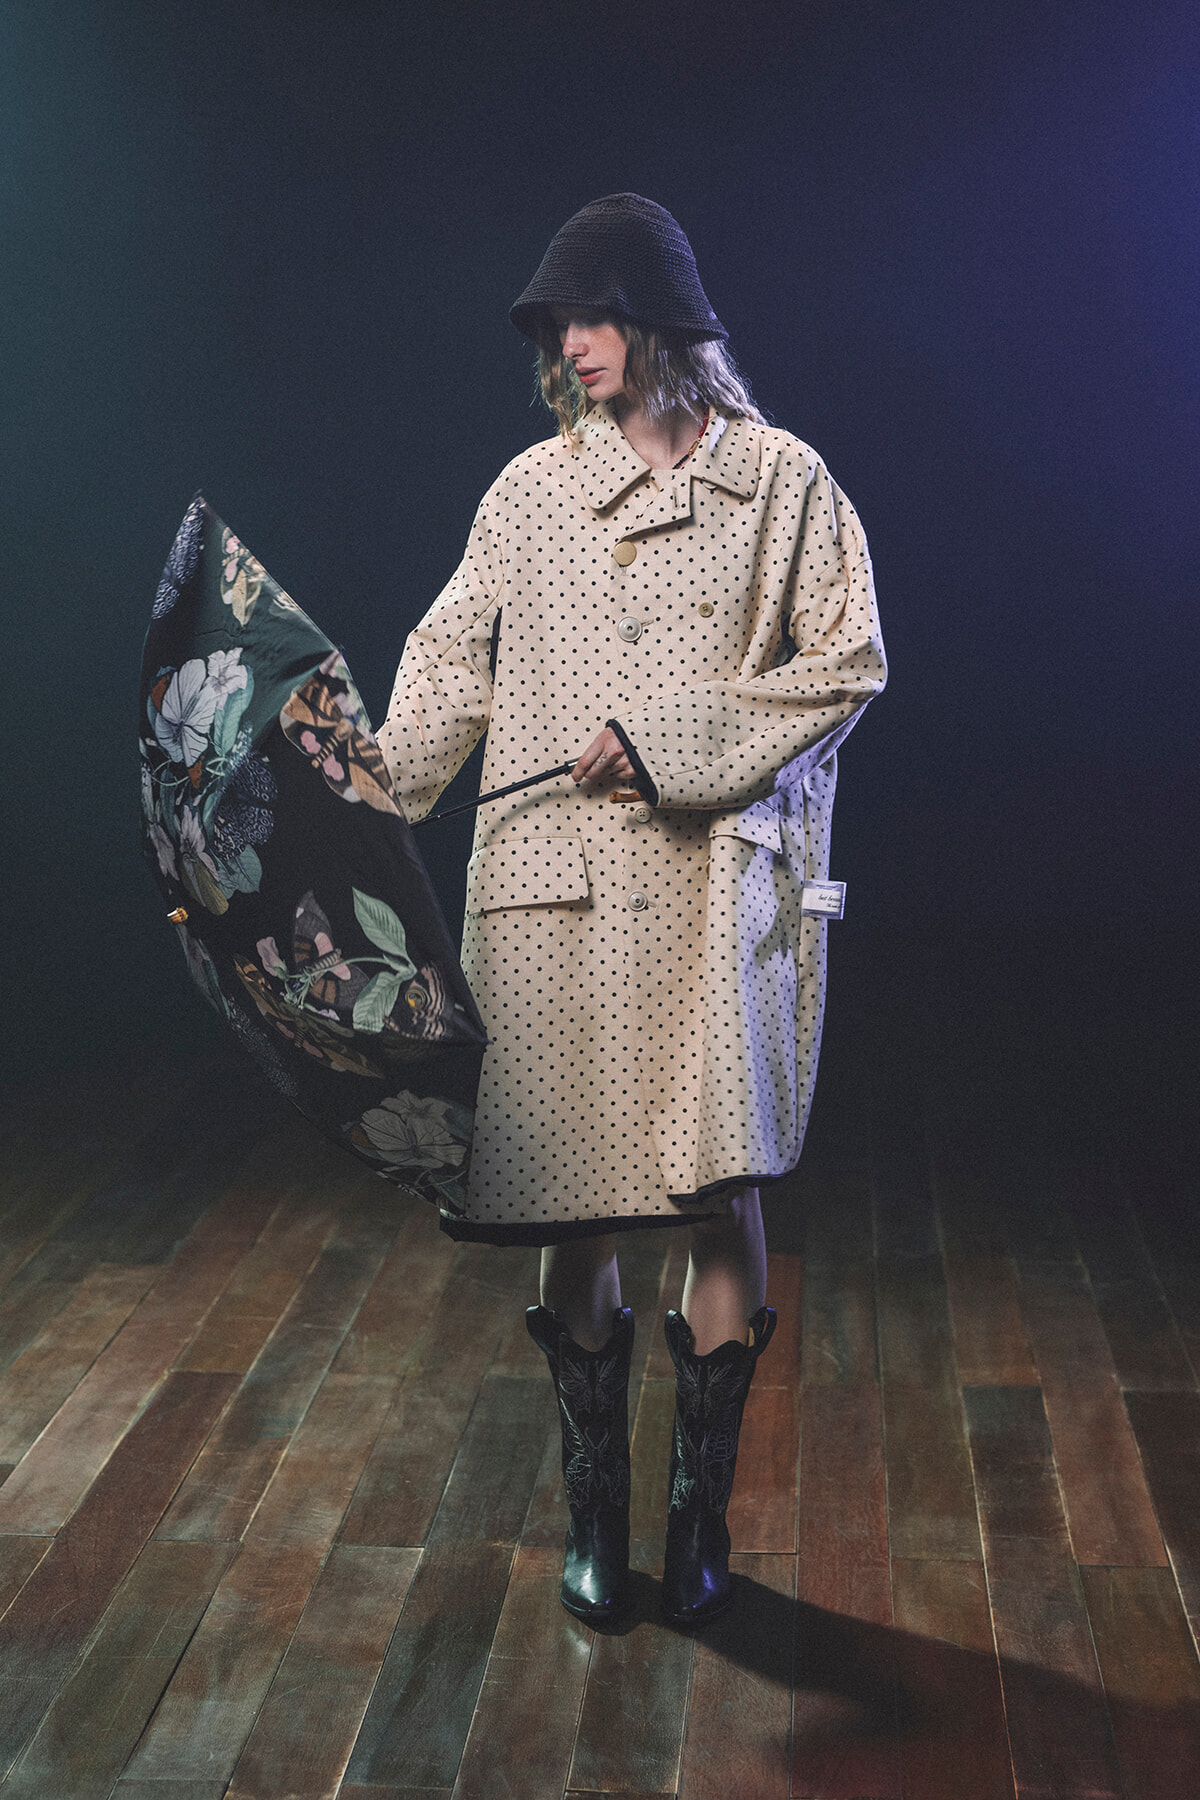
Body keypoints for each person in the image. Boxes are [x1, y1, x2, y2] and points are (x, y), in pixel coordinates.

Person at [378, 193, 885, 1627]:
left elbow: (848, 661)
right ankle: (596, 1518)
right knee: (574, 1196)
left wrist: (670, 739)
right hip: (551, 896)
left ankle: (696, 1519)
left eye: (595, 320)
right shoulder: (529, 493)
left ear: (665, 326)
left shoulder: (783, 484)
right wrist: (366, 789)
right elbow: (449, 658)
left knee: (719, 1188)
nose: (574, 349)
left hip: (714, 899)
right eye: (559, 329)